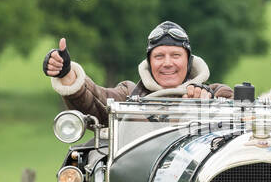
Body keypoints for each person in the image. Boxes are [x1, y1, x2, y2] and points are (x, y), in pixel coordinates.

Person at [42, 20, 233, 120]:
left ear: (189, 62)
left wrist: (208, 102)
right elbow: (94, 102)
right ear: (149, 63)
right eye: (159, 57)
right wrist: (66, 73)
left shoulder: (215, 93)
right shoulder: (130, 96)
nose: (167, 63)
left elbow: (239, 111)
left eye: (175, 56)